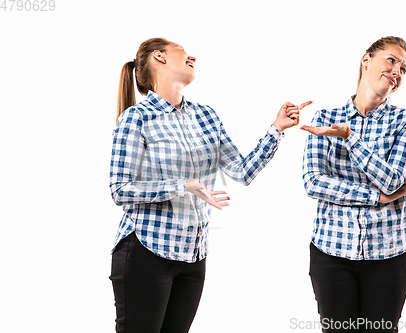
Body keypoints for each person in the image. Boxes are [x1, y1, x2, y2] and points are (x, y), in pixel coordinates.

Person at [108, 37, 312, 333]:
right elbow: (120, 190)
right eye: (183, 52)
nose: (193, 57)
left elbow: (241, 171)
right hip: (145, 252)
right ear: (159, 57)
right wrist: (182, 185)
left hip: (193, 256)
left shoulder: (206, 116)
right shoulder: (136, 118)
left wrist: (277, 129)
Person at [300, 36, 406, 332]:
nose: (397, 71)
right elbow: (313, 182)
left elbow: (392, 181)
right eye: (391, 60)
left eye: (403, 68)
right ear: (366, 59)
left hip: (388, 256)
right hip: (332, 253)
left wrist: (349, 138)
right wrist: (375, 197)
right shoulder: (325, 117)